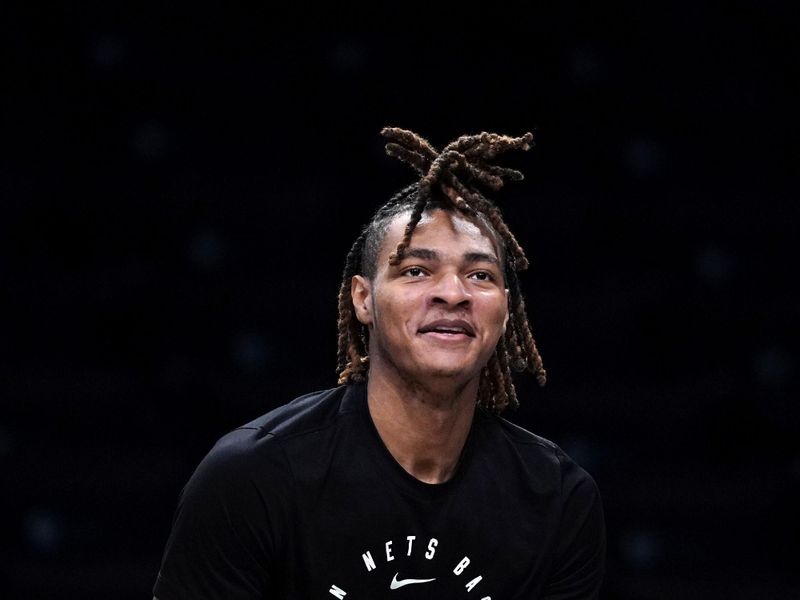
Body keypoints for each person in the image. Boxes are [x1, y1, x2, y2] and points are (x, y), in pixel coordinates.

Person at [153, 127, 606, 599]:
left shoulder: (557, 498)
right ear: (363, 300)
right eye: (415, 270)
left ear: (505, 310)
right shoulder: (253, 478)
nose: (453, 293)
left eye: (479, 275)